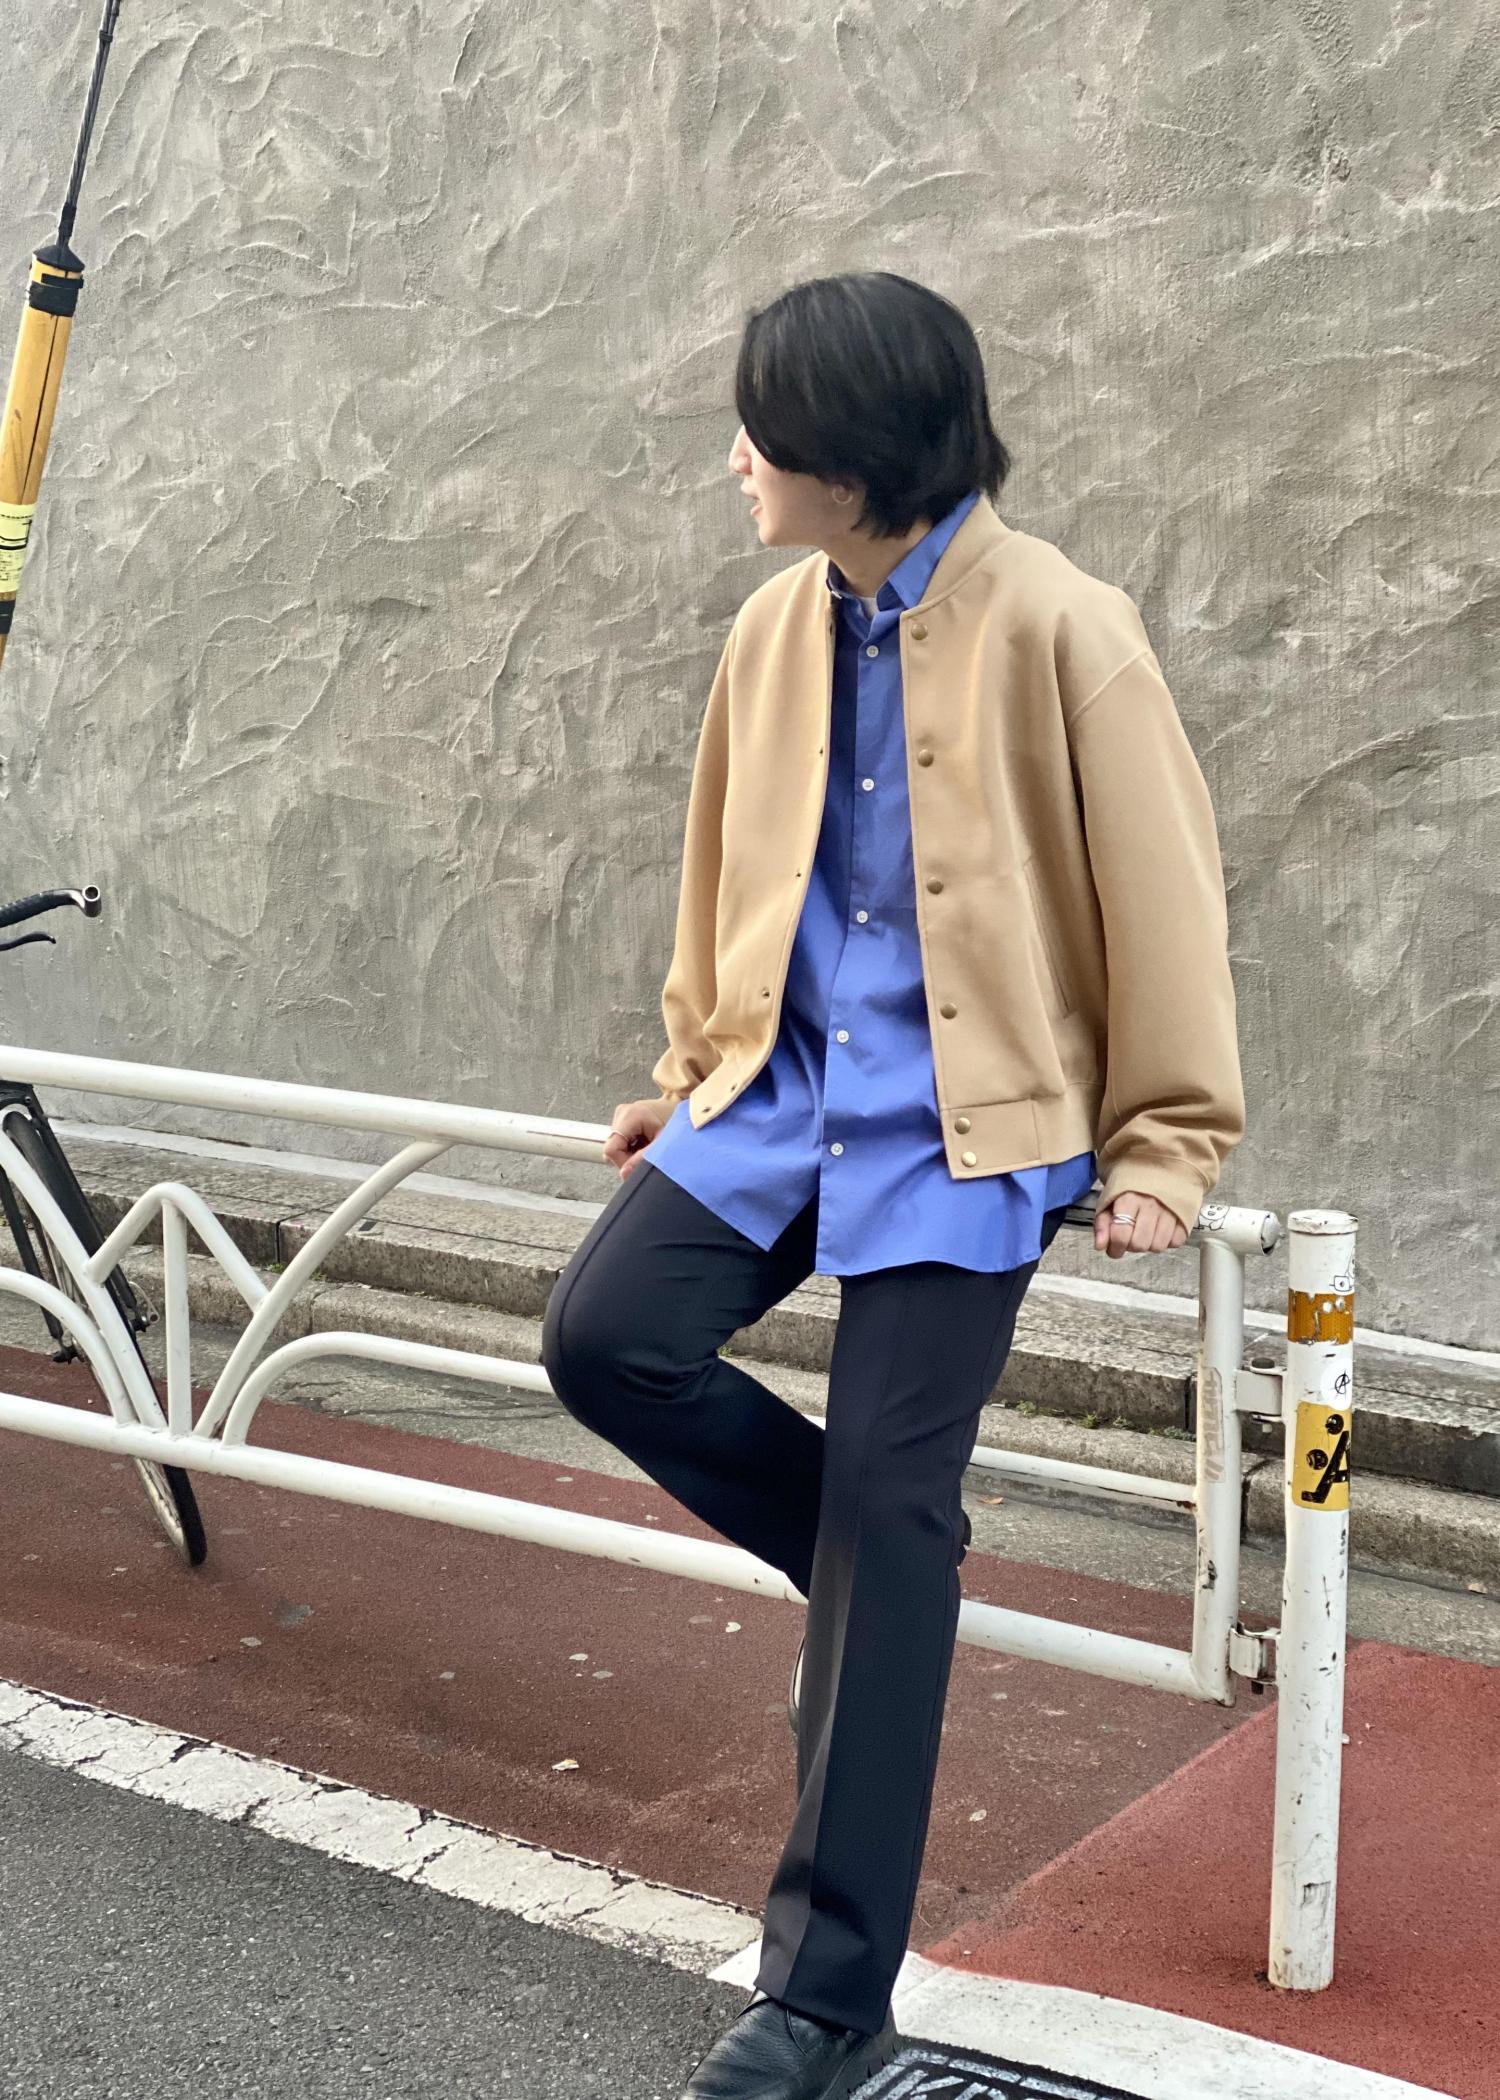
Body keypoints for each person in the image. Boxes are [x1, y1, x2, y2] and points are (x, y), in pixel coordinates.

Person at [541, 271, 1244, 2100]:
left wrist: (1167, 1144)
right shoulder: (775, 625)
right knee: (606, 1338)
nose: (737, 460)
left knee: (889, 1496)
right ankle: (884, 1566)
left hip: (966, 1129)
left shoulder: (1066, 625)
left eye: (764, 434)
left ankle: (827, 2004)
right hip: (781, 1094)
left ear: (852, 464)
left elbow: (1167, 902)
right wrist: (694, 1078)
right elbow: (721, 866)